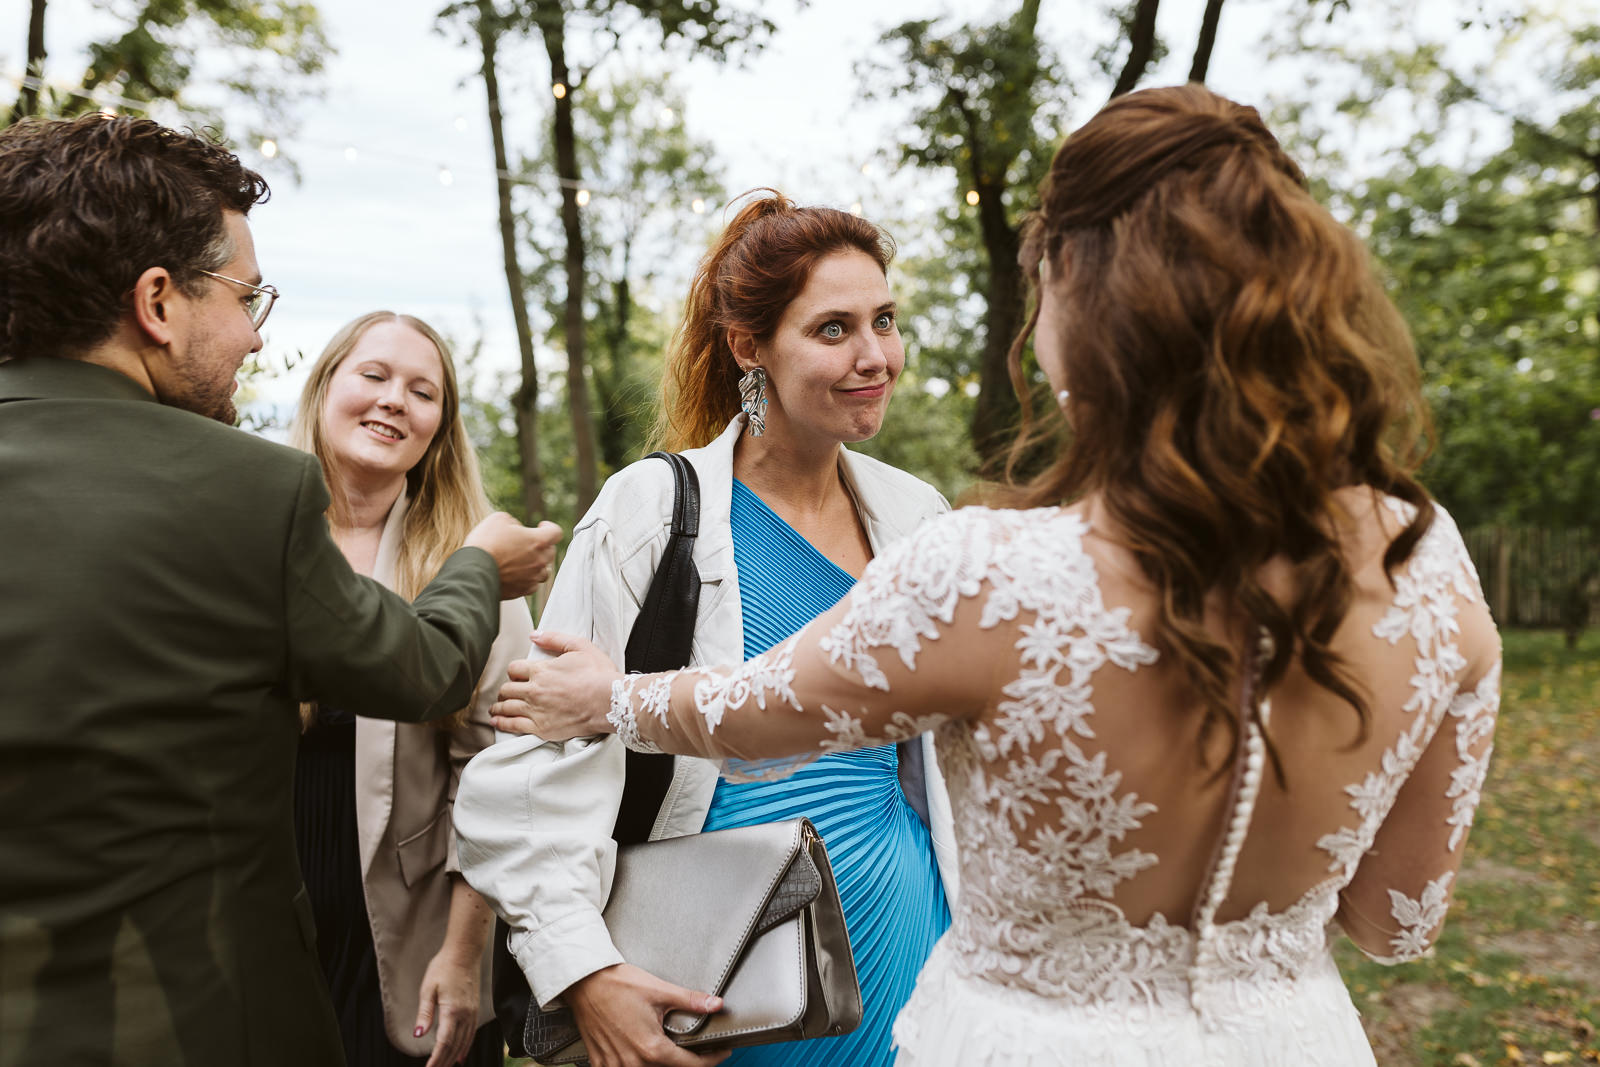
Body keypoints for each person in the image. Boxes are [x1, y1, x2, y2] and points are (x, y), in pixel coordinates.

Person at [487, 86, 1503, 1066]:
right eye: (834, 328)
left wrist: (607, 699)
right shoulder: (1430, 560)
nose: (873, 352)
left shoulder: (979, 560)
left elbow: (759, 708)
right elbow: (1391, 917)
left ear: (1090, 299)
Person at [0, 114, 561, 1067]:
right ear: (157, 302)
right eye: (247, 297)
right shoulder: (248, 487)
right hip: (199, 1016)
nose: (255, 339)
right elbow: (422, 667)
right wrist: (481, 567)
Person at [455, 192, 959, 1067]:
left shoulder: (918, 517)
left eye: (884, 320)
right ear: (748, 348)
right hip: (728, 988)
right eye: (834, 330)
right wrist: (585, 972)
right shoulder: (651, 510)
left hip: (923, 965)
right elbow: (533, 775)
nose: (875, 356)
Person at [287, 312, 535, 1067]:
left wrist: (464, 954)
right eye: (373, 375)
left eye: (422, 391)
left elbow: (501, 774)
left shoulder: (482, 559)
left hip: (415, 929)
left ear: (440, 426)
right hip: (273, 914)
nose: (395, 400)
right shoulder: (256, 536)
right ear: (326, 386)